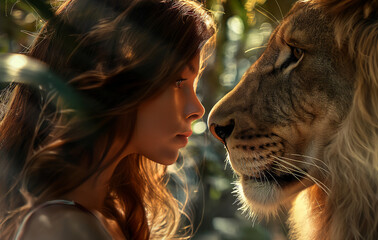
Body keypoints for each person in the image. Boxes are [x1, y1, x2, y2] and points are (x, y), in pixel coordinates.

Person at [0, 0, 216, 239]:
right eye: (178, 81)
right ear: (112, 76)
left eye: (193, 86)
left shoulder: (110, 217)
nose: (198, 109)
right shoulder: (59, 227)